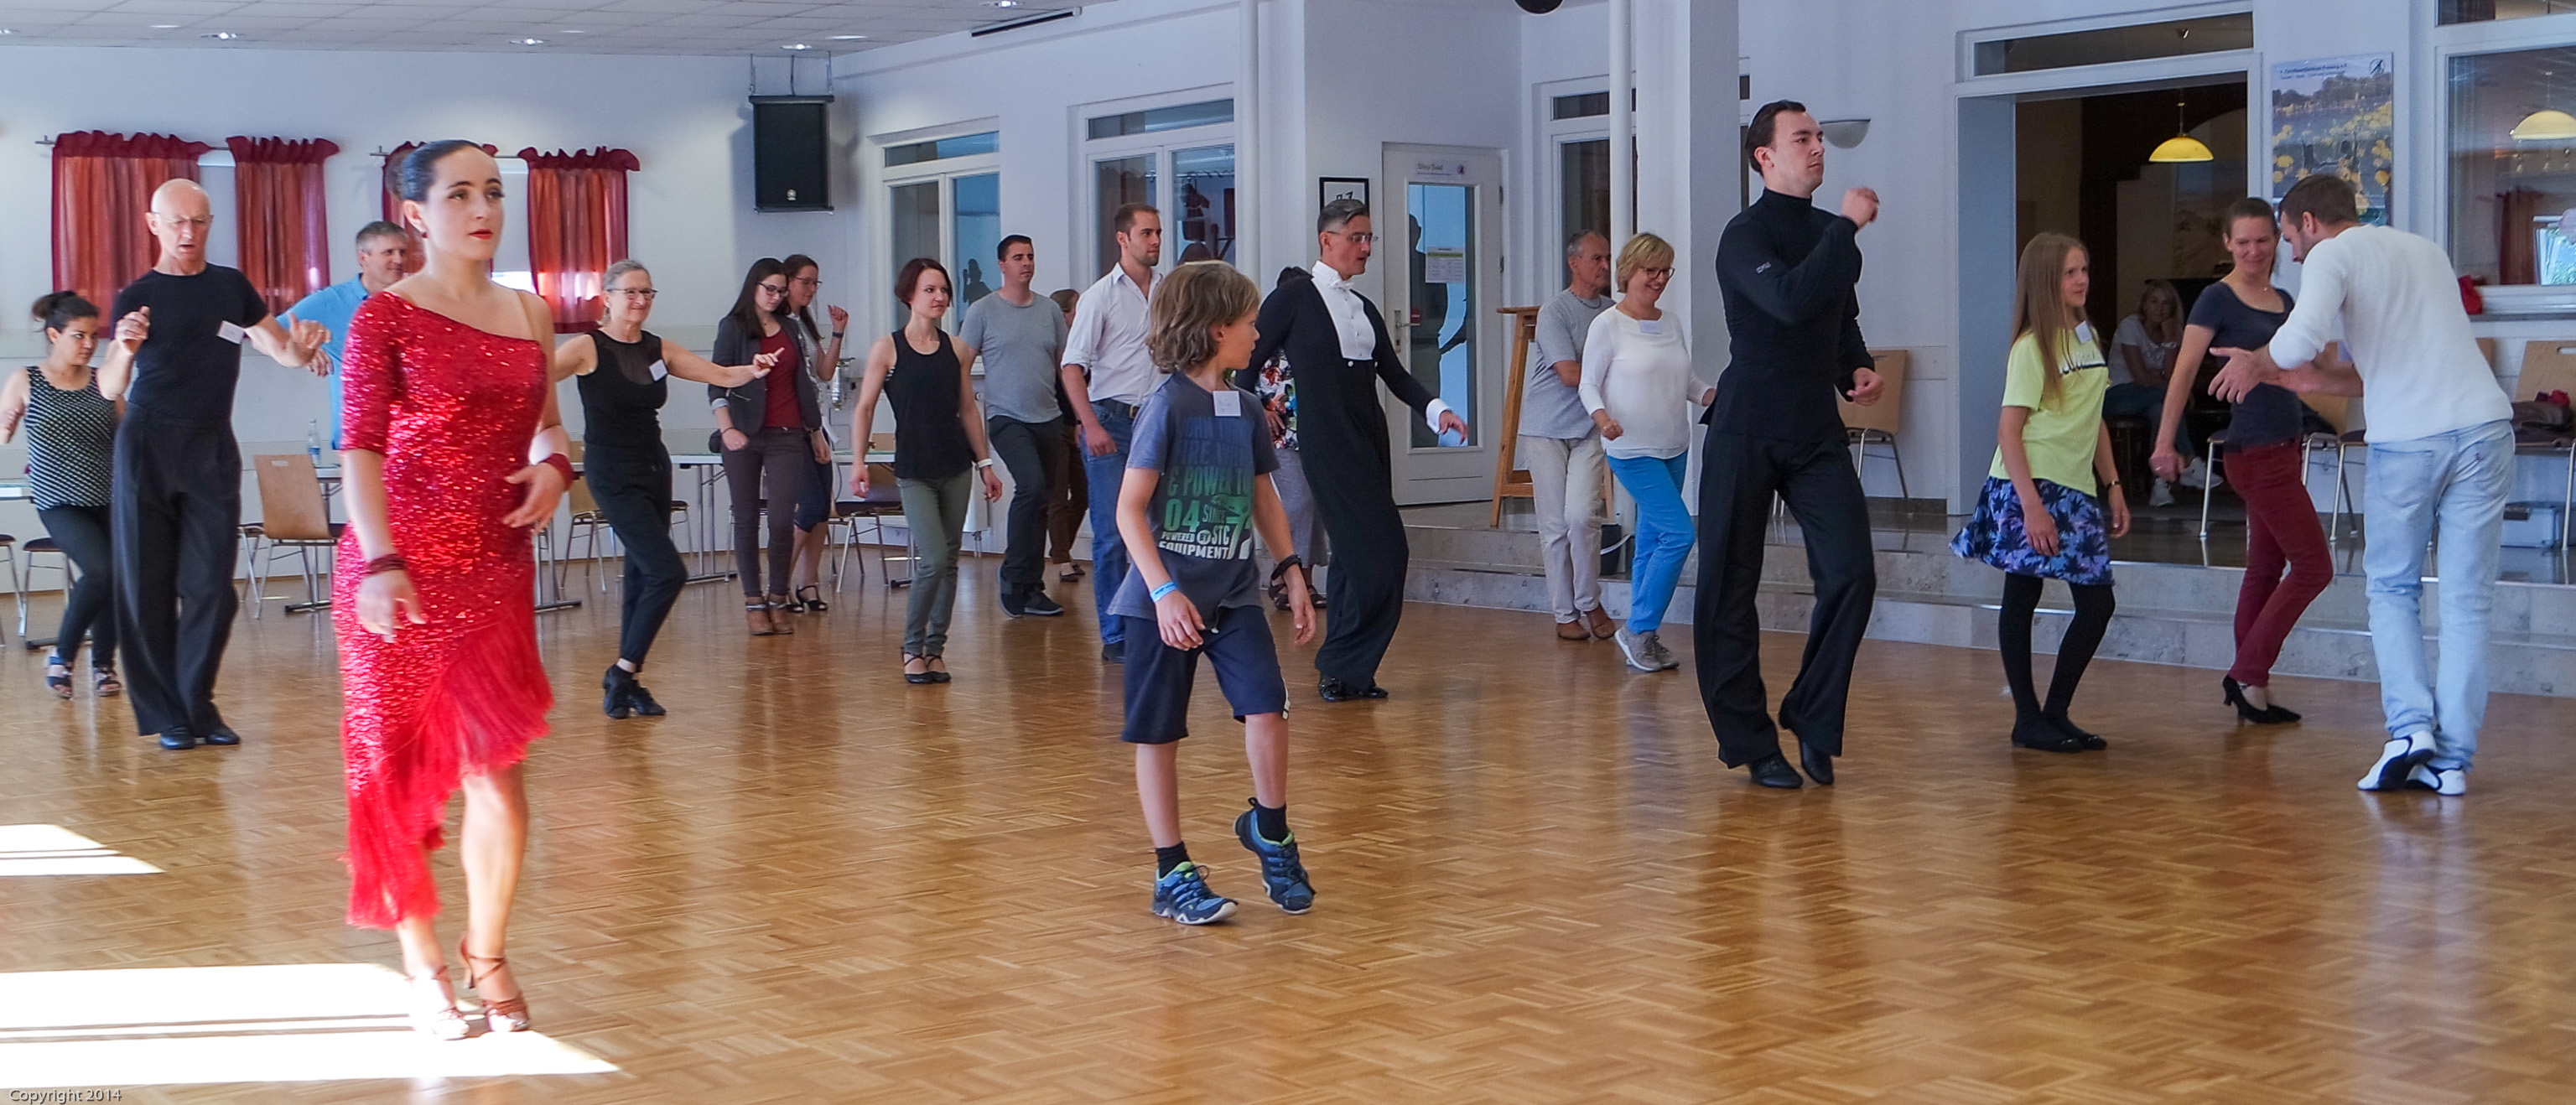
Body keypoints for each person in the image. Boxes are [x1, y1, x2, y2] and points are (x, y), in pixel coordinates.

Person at [335, 139, 574, 1039]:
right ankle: (424, 968)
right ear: (416, 214)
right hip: (396, 568)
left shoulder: (530, 311)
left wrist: (555, 469)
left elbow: (549, 429)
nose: (482, 209)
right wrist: (381, 561)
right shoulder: (385, 317)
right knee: (395, 777)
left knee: (499, 783)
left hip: (494, 568)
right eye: (461, 194)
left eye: (494, 193)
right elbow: (360, 448)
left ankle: (489, 952)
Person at [2210, 175, 2517, 797]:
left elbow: (2298, 341)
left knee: (2394, 588)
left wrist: (2256, 362)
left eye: (2289, 238)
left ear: (2309, 223)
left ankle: (2409, 731)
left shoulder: (2334, 253)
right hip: (2486, 430)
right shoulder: (2423, 250)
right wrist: (2307, 381)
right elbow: (2384, 370)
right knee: (2467, 601)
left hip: (2413, 443)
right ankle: (2451, 762)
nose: (2292, 254)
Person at [1112, 260, 1317, 926]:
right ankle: (1171, 871)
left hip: (1232, 595)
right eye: (1250, 322)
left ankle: (1271, 832)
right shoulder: (1166, 406)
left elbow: (1264, 495)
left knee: (1267, 708)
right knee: (1159, 734)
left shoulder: (1247, 407)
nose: (1259, 333)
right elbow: (1128, 510)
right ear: (1214, 329)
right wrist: (1165, 591)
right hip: (1163, 602)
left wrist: (1291, 569)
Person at [97, 178, 329, 750]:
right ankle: (169, 715)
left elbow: (279, 350)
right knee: (147, 585)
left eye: (198, 221)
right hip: (147, 445)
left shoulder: (231, 287)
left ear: (209, 224)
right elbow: (108, 386)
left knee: (211, 588)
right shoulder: (137, 296)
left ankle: (197, 702)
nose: (188, 232)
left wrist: (301, 350)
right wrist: (125, 349)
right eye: (177, 221)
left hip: (211, 448)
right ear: (153, 225)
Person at [1696, 101, 1886, 788]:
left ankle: (1810, 711)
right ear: (1765, 156)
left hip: (1813, 431)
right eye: (1801, 138)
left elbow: (1838, 319)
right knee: (1728, 587)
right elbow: (1788, 301)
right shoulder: (1742, 236)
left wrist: (1854, 367)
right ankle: (1751, 742)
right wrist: (1847, 226)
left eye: (1819, 138)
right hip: (1745, 426)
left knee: (1853, 573)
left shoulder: (1830, 233)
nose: (1817, 148)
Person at [1243, 198, 1469, 702]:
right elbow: (1248, 361)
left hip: (1369, 437)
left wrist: (1438, 411)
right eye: (1356, 238)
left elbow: (1394, 373)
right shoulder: (1293, 297)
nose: (1366, 248)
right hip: (1326, 442)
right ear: (1327, 241)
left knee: (1352, 558)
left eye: (1369, 238)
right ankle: (1343, 661)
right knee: (1383, 554)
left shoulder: (1363, 307)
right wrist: (1251, 412)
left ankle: (1348, 673)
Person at [552, 259, 772, 719]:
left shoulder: (658, 348)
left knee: (641, 574)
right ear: (607, 298)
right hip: (612, 471)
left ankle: (627, 682)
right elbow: (534, 376)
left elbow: (720, 375)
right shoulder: (588, 347)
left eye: (647, 293)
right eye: (631, 292)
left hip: (654, 466)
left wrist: (753, 369)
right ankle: (622, 671)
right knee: (668, 572)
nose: (640, 301)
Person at [1950, 233, 2131, 754]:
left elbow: (2094, 418)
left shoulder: (2087, 336)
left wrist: (2113, 485)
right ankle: (2028, 718)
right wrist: (2032, 507)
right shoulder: (2031, 347)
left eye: (2084, 270)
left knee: (2096, 604)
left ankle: (2054, 713)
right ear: (2046, 281)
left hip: (2076, 487)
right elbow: (2009, 430)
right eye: (2070, 272)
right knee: (2023, 592)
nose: (2082, 280)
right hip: (2029, 482)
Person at [2153, 199, 2329, 726]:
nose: (2254, 251)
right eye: (2243, 242)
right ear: (2227, 243)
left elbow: (2305, 367)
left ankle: (2253, 689)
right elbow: (2184, 372)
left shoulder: (2285, 299)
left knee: (2266, 568)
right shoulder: (2216, 298)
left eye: (2263, 240)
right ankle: (2246, 671)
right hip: (2254, 452)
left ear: (2277, 241)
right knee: (2314, 567)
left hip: (2286, 446)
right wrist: (2165, 442)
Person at [850, 258, 1005, 684]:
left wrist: (986, 464)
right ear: (909, 296)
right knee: (933, 558)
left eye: (943, 290)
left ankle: (935, 649)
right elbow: (864, 408)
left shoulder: (956, 349)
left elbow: (968, 409)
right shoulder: (888, 349)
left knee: (949, 560)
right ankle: (911, 647)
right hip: (914, 470)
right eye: (930, 290)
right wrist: (860, 461)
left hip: (955, 466)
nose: (939, 298)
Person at [1582, 233, 1715, 674]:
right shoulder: (1607, 325)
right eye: (1650, 271)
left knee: (1653, 541)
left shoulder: (1671, 323)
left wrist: (1713, 395)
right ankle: (1638, 629)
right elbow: (1588, 383)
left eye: (1664, 272)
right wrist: (1603, 418)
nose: (1658, 279)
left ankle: (1645, 635)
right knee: (1679, 535)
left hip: (1674, 445)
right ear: (1628, 273)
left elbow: (1687, 380)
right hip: (1631, 449)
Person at [2, 293, 122, 699]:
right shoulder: (27, 380)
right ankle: (62, 655)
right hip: (59, 501)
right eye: (78, 336)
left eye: (93, 336)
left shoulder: (103, 380)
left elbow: (129, 435)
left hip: (108, 496)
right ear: (54, 335)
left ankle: (103, 665)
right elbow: (2, 434)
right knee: (102, 570)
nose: (88, 344)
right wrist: (6, 426)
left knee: (113, 577)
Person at [1062, 205, 1166, 664]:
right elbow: (1072, 367)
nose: (1156, 241)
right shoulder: (1099, 296)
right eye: (1146, 233)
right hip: (1112, 419)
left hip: (1158, 418)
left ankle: (1155, 623)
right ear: (1123, 239)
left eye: (1158, 232)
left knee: (1159, 526)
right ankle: (1115, 634)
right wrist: (1090, 425)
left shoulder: (1168, 291)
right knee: (1111, 534)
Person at [709, 258, 830, 636]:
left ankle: (778, 596)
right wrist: (727, 428)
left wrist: (815, 431)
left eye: (781, 290)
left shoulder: (791, 328)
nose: (776, 296)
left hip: (787, 434)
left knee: (781, 519)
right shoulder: (733, 327)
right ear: (754, 287)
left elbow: (803, 384)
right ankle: (753, 602)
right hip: (743, 433)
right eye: (770, 289)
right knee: (746, 517)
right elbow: (717, 382)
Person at [959, 235, 1070, 619]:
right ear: (1002, 265)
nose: (1026, 263)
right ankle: (1013, 575)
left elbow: (1064, 367)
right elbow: (961, 364)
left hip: (1049, 417)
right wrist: (961, 411)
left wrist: (1080, 417)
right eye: (1018, 257)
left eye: (1030, 256)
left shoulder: (1049, 310)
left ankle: (1032, 588)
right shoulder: (983, 311)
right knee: (1032, 487)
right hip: (1006, 418)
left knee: (1044, 499)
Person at [1527, 231, 1616, 642]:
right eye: (1597, 259)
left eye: (1608, 258)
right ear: (1574, 263)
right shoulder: (1555, 311)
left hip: (1590, 426)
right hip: (1546, 428)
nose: (1605, 266)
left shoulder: (1613, 313)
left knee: (1582, 516)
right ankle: (1565, 613)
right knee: (1554, 525)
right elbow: (1568, 373)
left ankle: (1589, 600)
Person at [285, 220, 417, 449]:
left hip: (415, 439)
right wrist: (303, 352)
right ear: (363, 258)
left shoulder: (418, 299)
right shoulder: (331, 301)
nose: (399, 260)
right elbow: (267, 332)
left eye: (402, 252)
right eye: (388, 252)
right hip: (358, 441)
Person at [1250, 266, 1329, 610]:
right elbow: (1240, 377)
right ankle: (1282, 574)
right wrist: (1261, 410)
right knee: (1298, 502)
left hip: (1313, 434)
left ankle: (1305, 580)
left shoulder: (1311, 337)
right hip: (1280, 436)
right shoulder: (1261, 337)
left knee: (1314, 507)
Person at [777, 253, 847, 615]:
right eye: (804, 281)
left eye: (815, 283)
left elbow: (824, 371)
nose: (811, 289)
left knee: (822, 510)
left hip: (818, 424)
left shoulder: (803, 324)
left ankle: (808, 583)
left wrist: (837, 333)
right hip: (796, 427)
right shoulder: (777, 325)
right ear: (787, 282)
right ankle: (779, 584)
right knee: (810, 505)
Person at [2105, 280, 2210, 506]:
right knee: (2170, 400)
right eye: (2154, 301)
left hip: (2152, 397)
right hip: (2118, 395)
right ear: (2144, 305)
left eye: (2166, 303)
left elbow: (2173, 377)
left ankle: (2159, 487)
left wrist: (2171, 341)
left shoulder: (2174, 332)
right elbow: (2141, 378)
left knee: (2161, 412)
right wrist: (2179, 392)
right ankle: (2191, 461)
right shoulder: (2130, 327)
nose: (2159, 308)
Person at [1046, 288, 1088, 584]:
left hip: (1078, 425)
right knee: (1058, 495)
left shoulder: (1081, 345)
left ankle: (1062, 550)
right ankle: (1062, 559)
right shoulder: (1051, 350)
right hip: (1057, 424)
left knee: (1083, 494)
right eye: (1076, 309)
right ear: (1064, 315)